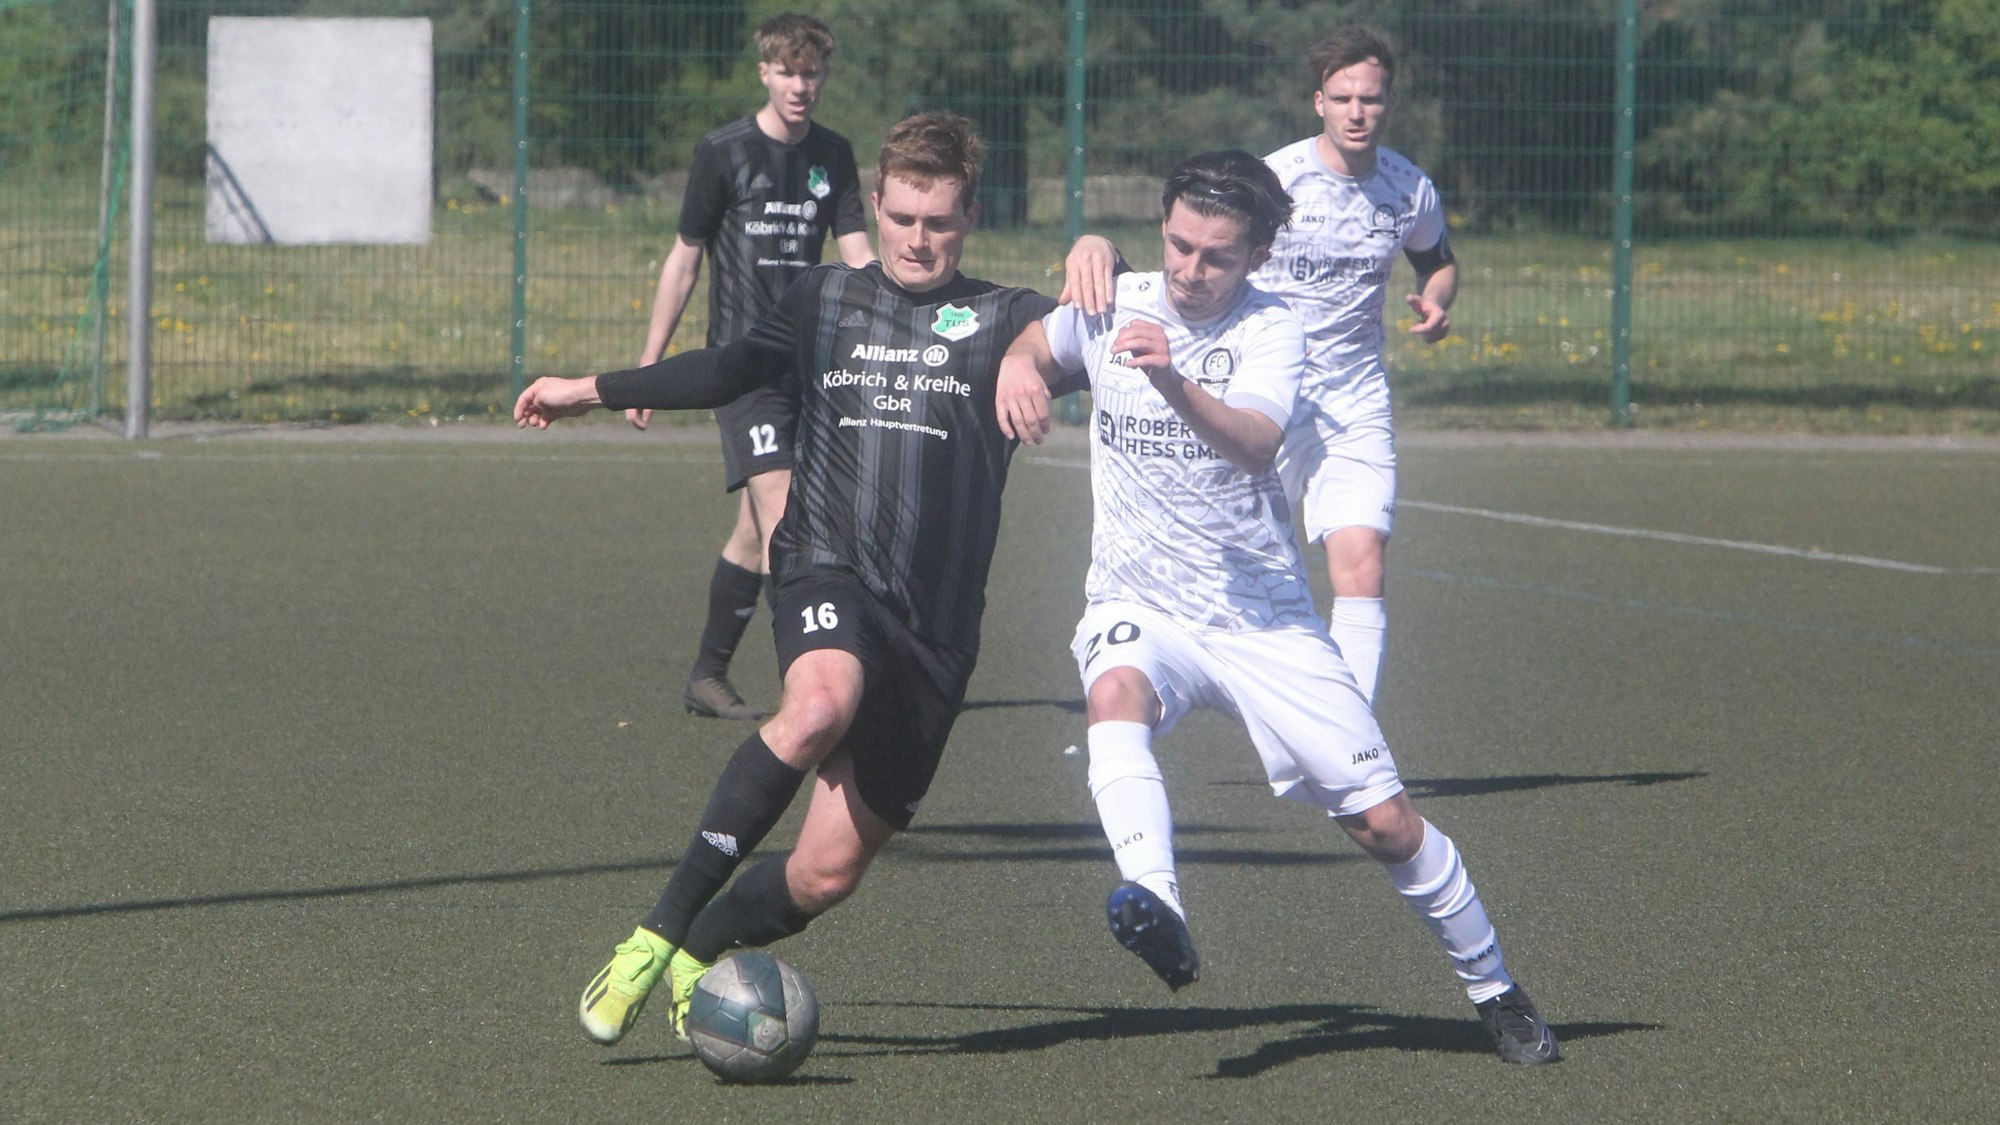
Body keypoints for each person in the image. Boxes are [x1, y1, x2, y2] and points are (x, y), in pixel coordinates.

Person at [995, 150, 1557, 1065]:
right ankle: (1156, 900)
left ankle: (1494, 986)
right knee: (1114, 694)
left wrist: (1174, 379)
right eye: (1179, 244)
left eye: (1216, 255)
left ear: (1256, 255)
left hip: (1261, 617)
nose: (1189, 269)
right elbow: (1035, 343)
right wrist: (1020, 367)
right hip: (1141, 599)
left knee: (1384, 823)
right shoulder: (1116, 295)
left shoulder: (1273, 329)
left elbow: (1257, 444)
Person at [516, 112, 1057, 1048]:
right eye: (900, 216)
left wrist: (1077, 276)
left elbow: (1133, 315)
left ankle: (701, 955)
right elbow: (726, 368)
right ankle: (653, 936)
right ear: (877, 205)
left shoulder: (1013, 317)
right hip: (826, 567)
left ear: (970, 214)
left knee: (824, 877)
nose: (917, 240)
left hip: (936, 634)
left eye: (939, 222)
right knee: (815, 706)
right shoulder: (825, 300)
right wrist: (594, 387)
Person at [1048, 25, 1456, 707]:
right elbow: (1191, 243)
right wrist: (1097, 241)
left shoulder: (1408, 189)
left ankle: (1348, 732)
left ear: (1390, 104)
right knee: (1246, 571)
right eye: (1343, 97)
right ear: (1317, 102)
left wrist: (1437, 303)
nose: (1358, 112)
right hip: (1257, 394)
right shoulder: (1276, 184)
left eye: (1373, 99)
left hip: (1351, 403)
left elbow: (1436, 260)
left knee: (1362, 562)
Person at [634, 12, 875, 721]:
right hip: (742, 368)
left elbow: (856, 251)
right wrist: (651, 365)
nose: (801, 86)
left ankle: (707, 676)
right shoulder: (723, 152)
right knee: (786, 512)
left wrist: (897, 310)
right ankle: (814, 679)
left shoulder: (833, 153)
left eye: (812, 73)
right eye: (788, 72)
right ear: (764, 72)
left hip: (812, 365)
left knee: (753, 531)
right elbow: (684, 259)